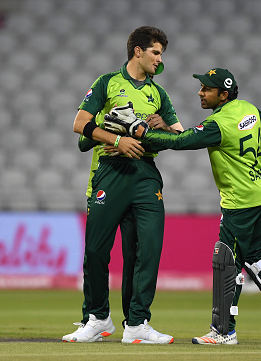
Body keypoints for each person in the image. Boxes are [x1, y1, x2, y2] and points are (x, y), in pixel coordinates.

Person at [104, 67, 261, 345]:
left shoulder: (218, 124)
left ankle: (227, 330)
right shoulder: (250, 110)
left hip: (239, 201)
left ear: (223, 95)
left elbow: (182, 141)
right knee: (253, 256)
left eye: (206, 89)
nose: (200, 92)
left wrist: (139, 131)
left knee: (226, 263)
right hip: (260, 194)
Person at [63, 26, 182, 344]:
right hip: (110, 171)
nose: (160, 59)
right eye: (156, 52)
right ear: (138, 51)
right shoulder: (107, 83)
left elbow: (180, 135)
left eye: (162, 54)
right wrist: (118, 139)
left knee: (145, 251)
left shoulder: (159, 94)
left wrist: (164, 127)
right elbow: (79, 124)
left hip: (145, 175)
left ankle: (138, 324)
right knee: (97, 252)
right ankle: (98, 318)